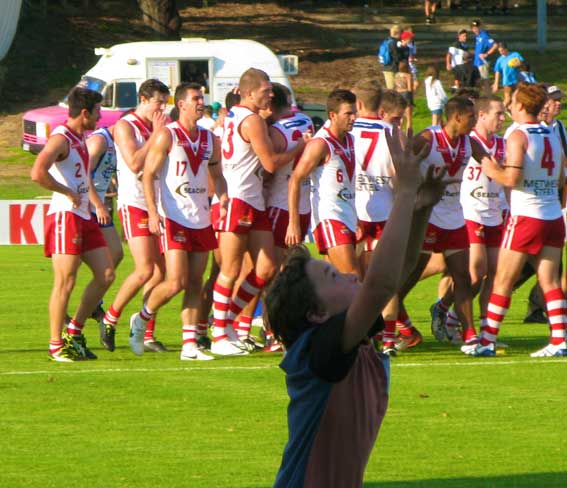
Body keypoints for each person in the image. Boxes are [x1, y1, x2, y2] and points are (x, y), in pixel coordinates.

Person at [266, 125, 446, 488]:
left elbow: (396, 275)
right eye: (333, 277)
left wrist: (420, 208)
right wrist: (405, 192)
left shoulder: (347, 340)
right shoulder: (322, 348)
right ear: (317, 314)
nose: (349, 277)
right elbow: (379, 285)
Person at [464, 83, 567, 357]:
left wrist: (489, 166)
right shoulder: (552, 133)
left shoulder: (518, 135)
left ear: (520, 106)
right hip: (553, 216)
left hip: (526, 216)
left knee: (502, 280)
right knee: (550, 280)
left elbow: (511, 179)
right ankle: (560, 339)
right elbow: (559, 178)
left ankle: (487, 340)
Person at [211, 68, 306, 356]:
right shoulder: (251, 120)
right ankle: (218, 335)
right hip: (239, 197)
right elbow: (271, 163)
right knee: (230, 269)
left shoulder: (242, 117)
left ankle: (228, 323)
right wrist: (300, 147)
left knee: (265, 268)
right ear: (250, 93)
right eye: (266, 90)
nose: (271, 93)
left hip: (254, 200)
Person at [133, 82, 227, 360]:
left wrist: (223, 198)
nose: (202, 102)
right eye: (196, 98)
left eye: (203, 98)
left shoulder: (211, 139)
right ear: (182, 103)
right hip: (173, 217)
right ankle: (141, 319)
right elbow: (147, 175)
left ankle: (189, 346)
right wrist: (152, 212)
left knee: (196, 283)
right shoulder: (167, 135)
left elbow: (218, 174)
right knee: (176, 281)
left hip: (200, 217)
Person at [31, 86, 115, 362]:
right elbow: (37, 172)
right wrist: (65, 191)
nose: (100, 117)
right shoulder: (61, 138)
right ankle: (57, 345)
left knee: (106, 274)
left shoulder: (80, 137)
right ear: (84, 113)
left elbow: (81, 177)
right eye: (97, 112)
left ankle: (74, 331)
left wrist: (91, 201)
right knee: (65, 281)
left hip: (83, 215)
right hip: (65, 216)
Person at [405, 97, 498, 347]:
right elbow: (401, 162)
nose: (474, 120)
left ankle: (470, 336)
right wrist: (411, 191)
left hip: (455, 216)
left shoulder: (469, 142)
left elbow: (490, 165)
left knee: (463, 276)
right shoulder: (429, 138)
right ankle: (393, 321)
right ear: (457, 117)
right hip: (428, 216)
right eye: (471, 116)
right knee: (412, 274)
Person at [101, 79, 170, 353]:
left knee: (164, 272)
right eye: (158, 102)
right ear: (143, 99)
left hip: (159, 203)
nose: (162, 108)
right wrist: (156, 134)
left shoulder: (159, 125)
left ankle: (146, 332)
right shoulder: (125, 125)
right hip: (134, 203)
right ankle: (111, 318)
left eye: (165, 102)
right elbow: (133, 162)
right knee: (144, 269)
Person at [286, 89, 359, 276]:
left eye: (354, 112)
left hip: (348, 215)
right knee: (354, 277)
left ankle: (309, 306)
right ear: (333, 115)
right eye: (348, 113)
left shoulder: (350, 139)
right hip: (330, 217)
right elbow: (295, 179)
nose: (353, 118)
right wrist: (293, 222)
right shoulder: (320, 143)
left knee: (332, 280)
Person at [492, 42, 524, 109]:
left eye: (502, 50)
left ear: (506, 49)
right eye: (499, 51)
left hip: (517, 80)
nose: (501, 52)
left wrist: (518, 63)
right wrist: (496, 83)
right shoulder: (499, 60)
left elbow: (522, 63)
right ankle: (500, 110)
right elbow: (497, 72)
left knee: (517, 97)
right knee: (508, 99)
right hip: (507, 81)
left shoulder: (515, 55)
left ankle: (512, 111)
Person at [470, 19, 498, 93]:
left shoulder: (484, 35)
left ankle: (488, 96)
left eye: (476, 28)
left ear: (480, 27)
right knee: (478, 81)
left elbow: (495, 45)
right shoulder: (478, 36)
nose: (475, 30)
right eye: (473, 28)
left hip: (482, 62)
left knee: (484, 80)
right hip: (476, 62)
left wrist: (487, 54)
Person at [379, 24, 402, 90]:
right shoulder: (393, 43)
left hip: (386, 67)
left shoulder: (387, 41)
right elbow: (396, 57)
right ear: (397, 33)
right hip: (392, 67)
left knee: (392, 88)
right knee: (391, 90)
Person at [394, 60, 413, 134]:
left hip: (398, 93)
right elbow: (409, 89)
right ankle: (409, 134)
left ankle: (398, 132)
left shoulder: (397, 75)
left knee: (400, 116)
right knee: (408, 118)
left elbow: (395, 85)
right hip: (406, 94)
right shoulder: (408, 76)